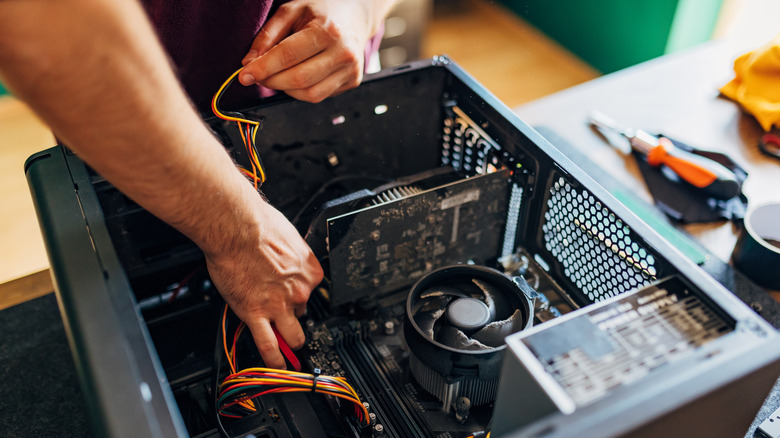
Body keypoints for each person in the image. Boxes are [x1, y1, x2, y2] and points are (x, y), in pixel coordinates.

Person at [0, 0, 397, 369]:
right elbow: (37, 26)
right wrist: (239, 231)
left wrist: (359, 10)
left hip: (333, 86)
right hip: (141, 145)